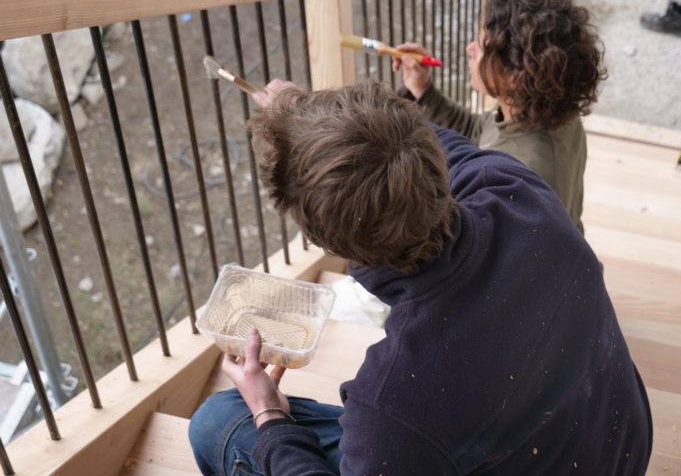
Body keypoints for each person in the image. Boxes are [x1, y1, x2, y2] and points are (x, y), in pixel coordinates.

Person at [188, 80, 652, 475]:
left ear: (331, 245)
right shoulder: (516, 188)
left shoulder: (393, 410)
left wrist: (269, 412)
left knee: (217, 423)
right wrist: (309, 117)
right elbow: (402, 143)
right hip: (618, 446)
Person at [394, 0, 606, 233]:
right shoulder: (548, 111)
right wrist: (423, 89)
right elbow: (477, 131)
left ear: (516, 74)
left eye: (482, 45)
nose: (469, 49)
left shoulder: (517, 174)